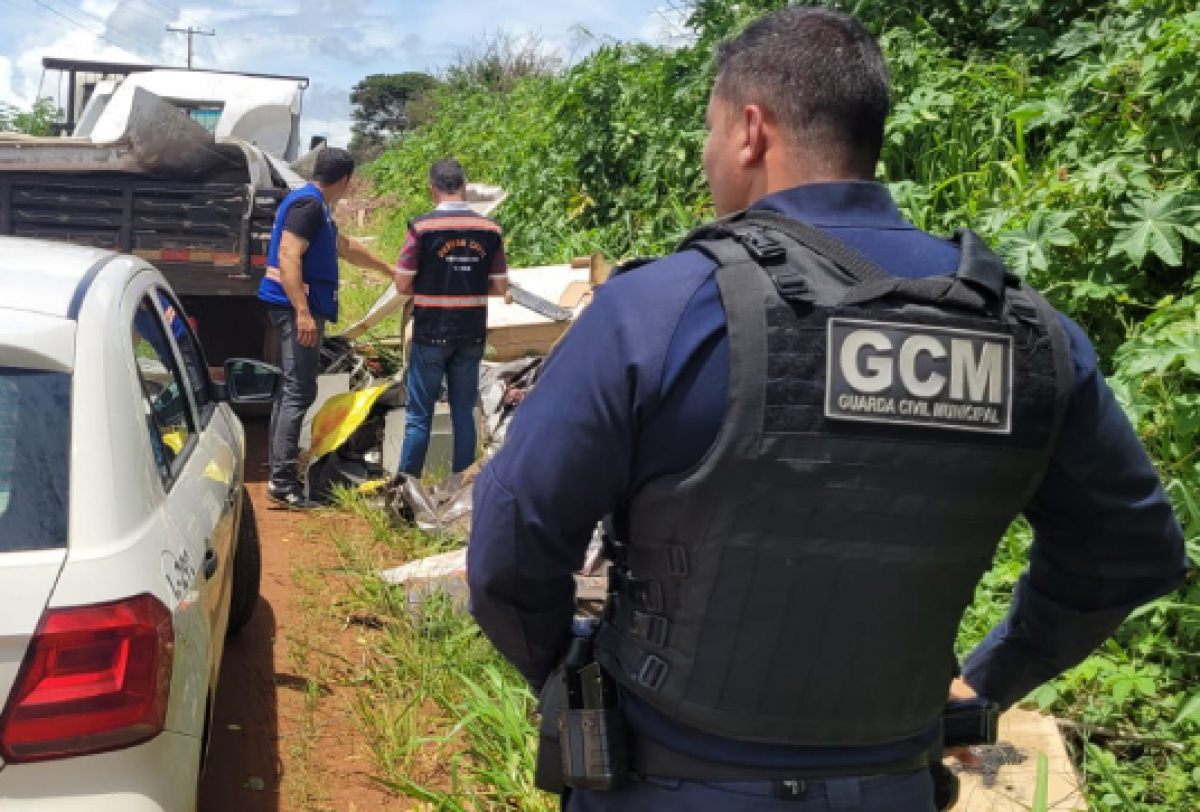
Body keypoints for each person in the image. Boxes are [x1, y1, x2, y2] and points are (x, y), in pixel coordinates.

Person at [466, 8, 1188, 812]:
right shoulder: (1033, 336)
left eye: (708, 132)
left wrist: (572, 677)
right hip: (891, 784)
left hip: (667, 778)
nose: (709, 158)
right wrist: (981, 684)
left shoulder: (658, 311)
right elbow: (1129, 552)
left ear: (749, 131)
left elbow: (509, 553)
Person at [258, 147, 397, 509]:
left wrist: (389, 271)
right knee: (299, 390)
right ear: (347, 180)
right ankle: (282, 480)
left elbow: (345, 248)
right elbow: (289, 255)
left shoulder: (316, 207)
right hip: (294, 308)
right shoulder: (307, 207)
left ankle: (279, 470)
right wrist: (302, 311)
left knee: (293, 388)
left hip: (293, 306)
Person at [394, 158, 509, 480]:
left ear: (433, 189)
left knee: (419, 417)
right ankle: (462, 489)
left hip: (432, 332)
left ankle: (405, 491)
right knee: (464, 413)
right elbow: (500, 286)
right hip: (471, 333)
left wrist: (436, 283)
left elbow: (402, 284)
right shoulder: (490, 230)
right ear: (464, 186)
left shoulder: (421, 228)